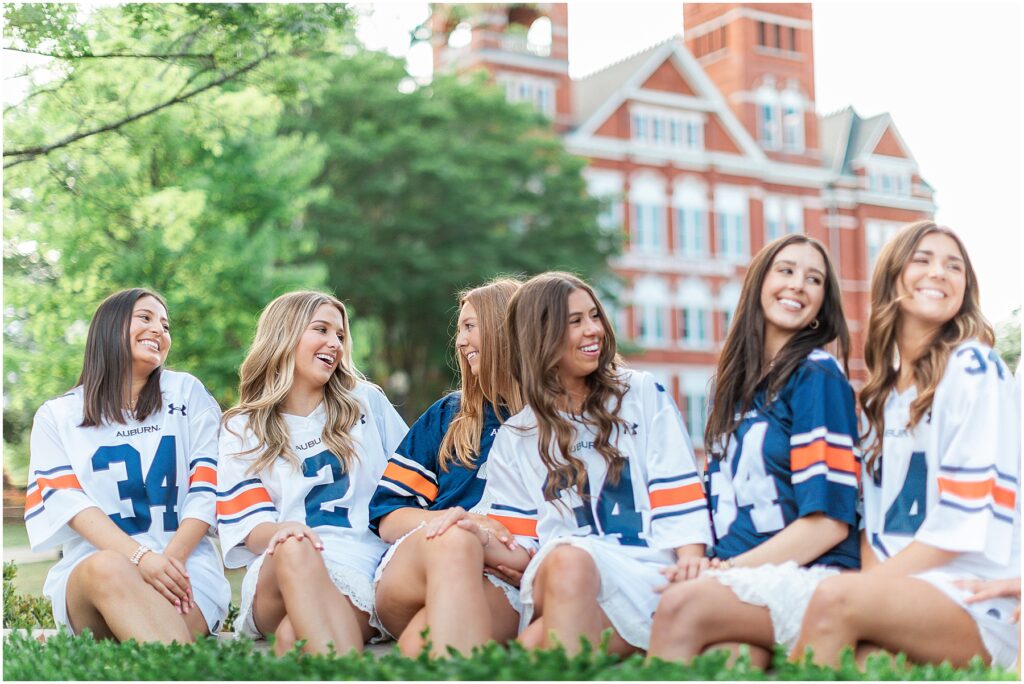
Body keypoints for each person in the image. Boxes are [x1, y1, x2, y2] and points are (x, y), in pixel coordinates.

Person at [436, 271, 712, 657]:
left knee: (536, 644)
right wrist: (475, 530)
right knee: (569, 557)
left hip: (643, 571)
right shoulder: (517, 435)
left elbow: (676, 489)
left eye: (594, 316)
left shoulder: (642, 394)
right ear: (539, 336)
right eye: (576, 321)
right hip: (565, 573)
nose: (594, 330)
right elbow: (524, 543)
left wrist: (691, 565)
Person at [794, 221, 1021, 669]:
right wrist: (873, 590)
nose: (939, 272)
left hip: (977, 593)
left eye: (954, 266)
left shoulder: (974, 367)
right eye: (923, 260)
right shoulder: (881, 397)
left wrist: (865, 591)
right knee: (862, 661)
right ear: (892, 278)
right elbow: (875, 531)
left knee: (833, 599)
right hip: (912, 593)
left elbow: (965, 520)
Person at [646, 235, 860, 667]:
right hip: (741, 579)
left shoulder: (817, 375)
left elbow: (829, 525)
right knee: (730, 661)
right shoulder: (733, 390)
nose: (798, 284)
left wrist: (726, 572)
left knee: (679, 606)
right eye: (786, 270)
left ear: (823, 303)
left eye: (813, 278)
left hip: (809, 575)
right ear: (759, 282)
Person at [24, 288, 230, 642]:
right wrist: (140, 557)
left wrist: (168, 562)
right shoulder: (57, 415)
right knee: (109, 566)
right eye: (145, 318)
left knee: (159, 622)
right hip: (96, 574)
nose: (159, 331)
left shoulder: (187, 393)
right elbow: (71, 506)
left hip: (184, 567)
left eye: (165, 326)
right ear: (109, 328)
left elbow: (206, 488)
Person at [216, 291, 407, 656]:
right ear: (284, 334)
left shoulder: (366, 402)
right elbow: (251, 530)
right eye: (321, 329)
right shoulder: (243, 426)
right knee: (294, 547)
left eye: (339, 335)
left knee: (292, 639)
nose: (334, 343)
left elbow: (409, 486)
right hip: (281, 569)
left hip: (359, 569)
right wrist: (289, 533)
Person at [369, 278, 524, 657]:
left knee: (422, 643)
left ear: (506, 331)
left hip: (505, 579)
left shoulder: (554, 421)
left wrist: (531, 562)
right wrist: (465, 524)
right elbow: (388, 516)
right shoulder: (448, 415)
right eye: (459, 330)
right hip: (421, 563)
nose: (459, 341)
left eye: (470, 327)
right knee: (457, 540)